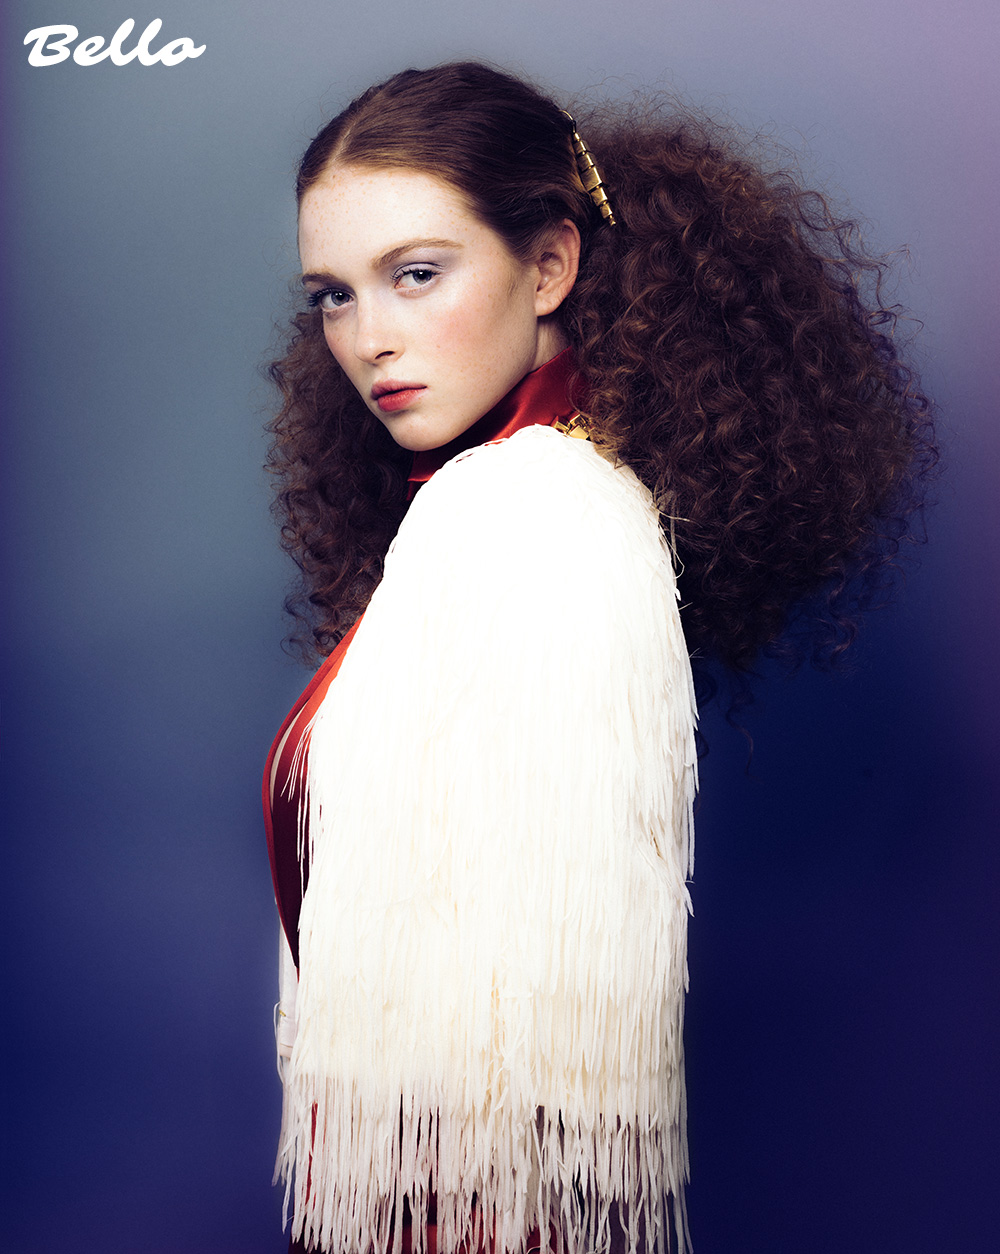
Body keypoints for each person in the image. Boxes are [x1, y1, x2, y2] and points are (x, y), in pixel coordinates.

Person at [263, 62, 935, 1254]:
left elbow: (540, 1038)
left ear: (549, 266)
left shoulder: (539, 510)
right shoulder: (494, 503)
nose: (368, 339)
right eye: (334, 294)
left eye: (416, 275)